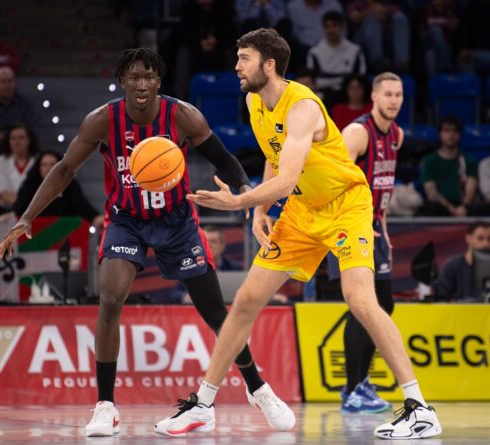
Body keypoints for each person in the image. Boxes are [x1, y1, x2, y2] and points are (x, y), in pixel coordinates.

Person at [156, 28, 441, 439]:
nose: (236, 66)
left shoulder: (302, 106)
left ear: (269, 65)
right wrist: (257, 209)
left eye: (245, 58)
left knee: (360, 298)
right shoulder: (254, 100)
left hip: (345, 204)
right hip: (303, 212)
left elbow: (286, 179)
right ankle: (202, 404)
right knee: (246, 301)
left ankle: (420, 408)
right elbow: (275, 156)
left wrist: (240, 201)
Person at [0, 48, 286, 437]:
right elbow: (65, 169)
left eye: (148, 76)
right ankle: (105, 406)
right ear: (123, 82)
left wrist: (248, 194)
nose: (142, 83)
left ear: (158, 82)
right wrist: (28, 217)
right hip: (126, 221)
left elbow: (223, 159)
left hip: (177, 221)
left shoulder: (182, 116)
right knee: (110, 299)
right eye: (133, 77)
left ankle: (257, 388)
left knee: (217, 313)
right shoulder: (102, 121)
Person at [335, 72, 403, 414]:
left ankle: (358, 385)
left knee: (384, 304)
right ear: (374, 97)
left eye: (398, 94)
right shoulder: (357, 133)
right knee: (362, 305)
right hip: (351, 224)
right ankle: (353, 388)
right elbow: (335, 180)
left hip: (376, 226)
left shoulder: (398, 135)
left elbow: (383, 185)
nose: (394, 100)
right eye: (388, 94)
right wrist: (354, 221)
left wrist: (384, 226)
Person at [12, 150, 101, 225]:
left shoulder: (70, 184)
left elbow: (81, 204)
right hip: (35, 234)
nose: (48, 168)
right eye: (44, 164)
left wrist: (95, 217)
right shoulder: (29, 185)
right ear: (38, 167)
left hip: (63, 232)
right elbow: (20, 209)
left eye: (52, 164)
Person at [420, 116, 478, 216]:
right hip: (441, 205)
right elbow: (431, 192)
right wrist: (451, 208)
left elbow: (470, 190)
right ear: (440, 134)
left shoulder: (468, 160)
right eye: (446, 131)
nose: (451, 135)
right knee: (432, 208)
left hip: (463, 205)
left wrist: (463, 207)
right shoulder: (429, 160)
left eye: (455, 131)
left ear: (459, 135)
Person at [0, 66, 39, 152]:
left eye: (10, 81)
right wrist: (15, 136)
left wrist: (0, 135)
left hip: (20, 152)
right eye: (3, 82)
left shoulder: (26, 106)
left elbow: (29, 133)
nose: (7, 85)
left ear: (15, 83)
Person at [306, 11, 366, 94]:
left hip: (348, 93)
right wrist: (340, 80)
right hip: (323, 93)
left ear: (341, 27)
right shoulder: (314, 52)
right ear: (323, 28)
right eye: (327, 26)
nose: (331, 30)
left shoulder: (355, 50)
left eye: (334, 26)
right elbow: (312, 80)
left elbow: (360, 77)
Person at [433, 221, 490, 301]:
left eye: (489, 239)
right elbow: (441, 299)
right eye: (480, 238)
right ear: (468, 238)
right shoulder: (451, 267)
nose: (486, 244)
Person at [0, 124, 38, 211]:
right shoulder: (1, 161)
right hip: (7, 210)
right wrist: (23, 205)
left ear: (29, 140)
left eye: (21, 138)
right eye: (13, 138)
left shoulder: (38, 161)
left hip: (35, 212)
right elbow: (2, 192)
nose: (17, 142)